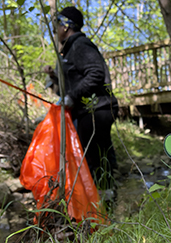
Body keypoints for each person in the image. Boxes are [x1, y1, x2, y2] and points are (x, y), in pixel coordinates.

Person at [43, 6, 119, 192]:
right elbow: (77, 78)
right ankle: (106, 199)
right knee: (97, 155)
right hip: (88, 110)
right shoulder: (69, 49)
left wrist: (72, 96)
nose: (56, 31)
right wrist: (54, 77)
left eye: (57, 26)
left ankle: (105, 202)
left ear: (66, 26)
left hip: (97, 109)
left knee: (95, 157)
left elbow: (95, 73)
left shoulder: (79, 45)